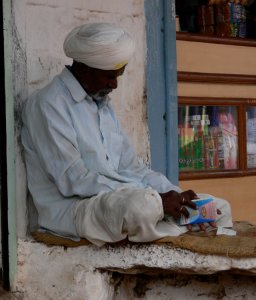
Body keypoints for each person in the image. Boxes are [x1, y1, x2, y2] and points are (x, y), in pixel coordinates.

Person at [21, 22, 233, 247]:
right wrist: (155, 199)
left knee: (218, 208)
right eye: (109, 76)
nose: (114, 84)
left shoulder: (101, 104)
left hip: (122, 199)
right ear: (84, 67)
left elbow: (132, 168)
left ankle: (174, 230)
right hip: (75, 210)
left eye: (118, 76)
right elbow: (73, 180)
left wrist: (173, 194)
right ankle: (165, 224)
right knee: (141, 208)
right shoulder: (48, 105)